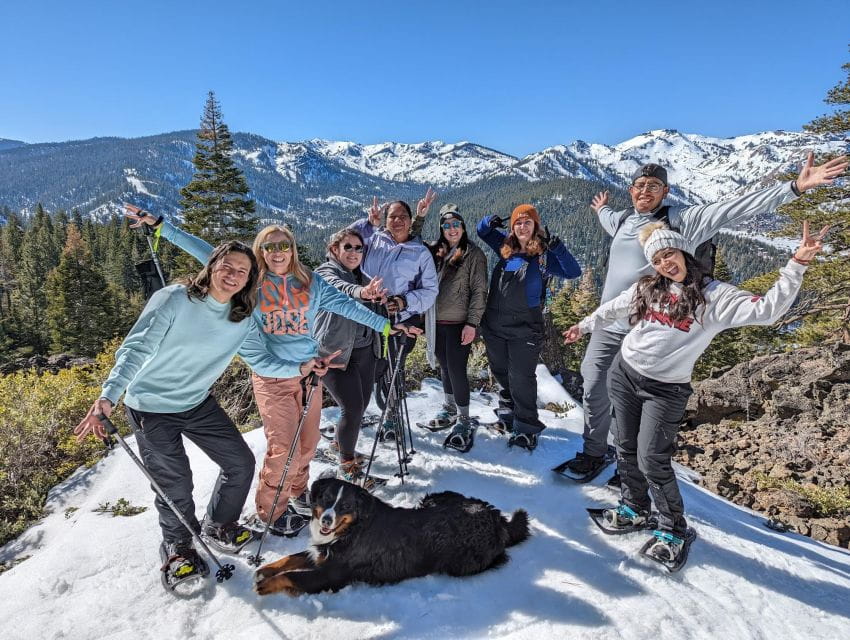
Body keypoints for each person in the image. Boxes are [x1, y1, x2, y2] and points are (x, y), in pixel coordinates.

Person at [560, 153, 848, 483]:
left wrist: (795, 187)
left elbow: (736, 207)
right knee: (594, 386)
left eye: (654, 186)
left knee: (642, 400)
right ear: (631, 190)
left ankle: (636, 471)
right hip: (610, 325)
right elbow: (608, 220)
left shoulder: (685, 220)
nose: (645, 191)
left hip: (654, 328)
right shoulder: (623, 220)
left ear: (665, 192)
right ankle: (595, 451)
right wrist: (600, 210)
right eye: (640, 185)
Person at [563, 220, 827, 563]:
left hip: (666, 389)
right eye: (657, 259)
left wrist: (798, 263)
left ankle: (672, 527)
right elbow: (613, 307)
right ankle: (634, 507)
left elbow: (767, 311)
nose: (664, 264)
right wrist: (582, 326)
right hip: (625, 373)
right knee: (625, 447)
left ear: (684, 251)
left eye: (669, 254)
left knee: (652, 457)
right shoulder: (647, 287)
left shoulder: (714, 296)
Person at [124, 208, 392, 534]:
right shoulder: (255, 283)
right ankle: (270, 512)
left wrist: (385, 325)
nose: (277, 252)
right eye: (270, 246)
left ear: (293, 250)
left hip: (310, 376)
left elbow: (346, 306)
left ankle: (296, 493)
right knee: (284, 450)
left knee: (306, 446)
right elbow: (209, 254)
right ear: (260, 252)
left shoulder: (310, 282)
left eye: (284, 246)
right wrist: (163, 228)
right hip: (273, 379)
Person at [74, 241, 307, 584]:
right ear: (212, 265)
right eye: (227, 266)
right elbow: (136, 348)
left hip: (196, 402)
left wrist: (302, 367)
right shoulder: (175, 299)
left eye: (242, 271)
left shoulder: (240, 318)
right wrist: (109, 395)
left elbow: (261, 360)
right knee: (175, 482)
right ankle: (178, 546)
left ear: (248, 280)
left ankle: (220, 524)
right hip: (150, 407)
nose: (233, 275)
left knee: (239, 463)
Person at [477, 204, 581, 451]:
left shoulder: (544, 256)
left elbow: (573, 271)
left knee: (522, 377)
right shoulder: (505, 248)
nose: (522, 227)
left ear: (536, 227)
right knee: (501, 371)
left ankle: (526, 428)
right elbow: (482, 232)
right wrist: (489, 220)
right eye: (518, 223)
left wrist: (558, 247)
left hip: (526, 326)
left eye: (528, 222)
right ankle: (508, 417)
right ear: (512, 228)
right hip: (494, 323)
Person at [349, 196, 439, 440]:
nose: (398, 221)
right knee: (365, 367)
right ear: (385, 220)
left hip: (400, 318)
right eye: (392, 217)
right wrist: (368, 223)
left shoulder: (419, 252)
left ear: (411, 221)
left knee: (392, 368)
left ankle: (390, 414)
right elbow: (343, 242)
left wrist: (403, 301)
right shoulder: (372, 239)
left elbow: (430, 290)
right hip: (366, 316)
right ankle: (358, 411)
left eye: (403, 217)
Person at [313, 228, 393, 487]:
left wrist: (380, 300)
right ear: (334, 249)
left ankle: (340, 446)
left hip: (365, 350)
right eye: (348, 247)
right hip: (334, 353)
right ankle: (347, 468)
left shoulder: (363, 275)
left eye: (359, 248)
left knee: (360, 405)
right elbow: (339, 288)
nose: (354, 252)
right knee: (353, 407)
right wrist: (363, 293)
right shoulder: (325, 272)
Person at [423, 204, 488, 452]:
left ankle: (463, 417)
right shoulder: (435, 251)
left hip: (460, 322)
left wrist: (472, 323)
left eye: (456, 224)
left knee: (457, 369)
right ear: (441, 228)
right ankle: (450, 406)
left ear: (463, 226)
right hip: (436, 321)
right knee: (445, 366)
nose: (452, 229)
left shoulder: (474, 254)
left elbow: (479, 291)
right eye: (447, 225)